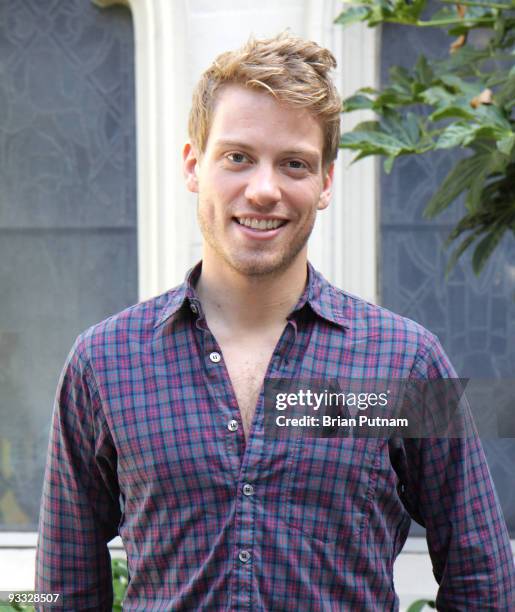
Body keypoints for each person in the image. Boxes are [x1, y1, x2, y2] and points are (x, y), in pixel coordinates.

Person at [35, 32, 514, 610]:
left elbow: (483, 580)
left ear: (326, 182)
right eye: (238, 157)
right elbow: (60, 591)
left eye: (294, 164)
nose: (264, 190)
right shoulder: (103, 363)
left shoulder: (405, 361)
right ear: (194, 165)